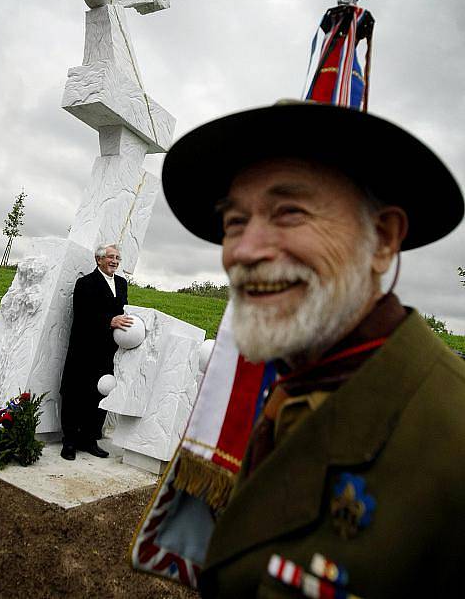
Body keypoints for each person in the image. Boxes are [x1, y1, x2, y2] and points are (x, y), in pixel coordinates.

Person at [159, 100, 465, 597]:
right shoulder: (298, 383)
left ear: (383, 240)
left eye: (290, 212)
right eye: (234, 222)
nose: (244, 250)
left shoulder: (453, 442)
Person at [59, 243, 132, 460]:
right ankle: (70, 442)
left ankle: (90, 439)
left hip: (108, 351)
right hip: (84, 348)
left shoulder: (121, 283)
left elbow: (124, 310)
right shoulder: (85, 283)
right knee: (75, 394)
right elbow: (82, 314)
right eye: (111, 257)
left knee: (99, 393)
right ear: (99, 259)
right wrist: (110, 320)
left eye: (118, 258)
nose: (115, 261)